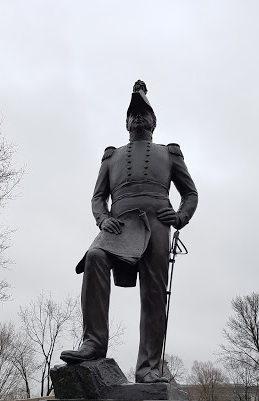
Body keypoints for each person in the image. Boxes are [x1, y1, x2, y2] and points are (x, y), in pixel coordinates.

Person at [61, 80, 198, 383]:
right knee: (95, 257)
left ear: (153, 121)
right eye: (133, 115)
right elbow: (98, 197)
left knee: (153, 293)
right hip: (119, 225)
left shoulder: (170, 153)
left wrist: (179, 216)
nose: (138, 118)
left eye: (143, 114)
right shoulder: (112, 156)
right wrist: (103, 218)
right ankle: (93, 343)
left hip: (157, 224)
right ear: (126, 122)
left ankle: (148, 368)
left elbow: (190, 194)